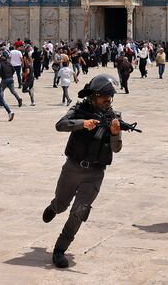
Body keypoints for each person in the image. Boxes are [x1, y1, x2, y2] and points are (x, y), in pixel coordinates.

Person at [42, 75, 124, 268]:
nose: (108, 100)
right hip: (73, 168)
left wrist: (114, 134)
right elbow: (60, 125)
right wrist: (82, 123)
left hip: (95, 173)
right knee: (62, 205)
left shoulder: (114, 117)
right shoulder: (78, 110)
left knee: (80, 211)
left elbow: (117, 148)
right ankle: (54, 207)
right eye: (104, 96)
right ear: (94, 96)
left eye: (110, 96)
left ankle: (60, 249)